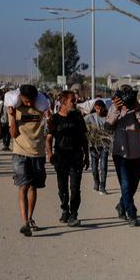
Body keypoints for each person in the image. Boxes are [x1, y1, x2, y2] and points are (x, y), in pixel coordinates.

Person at [10, 84, 49, 236]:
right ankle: (25, 222)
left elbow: (47, 128)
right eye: (26, 101)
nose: (29, 103)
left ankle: (30, 217)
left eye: (31, 100)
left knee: (33, 187)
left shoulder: (41, 107)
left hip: (38, 152)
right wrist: (12, 117)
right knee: (23, 186)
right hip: (20, 153)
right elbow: (13, 134)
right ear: (21, 98)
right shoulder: (16, 109)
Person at [46, 90, 90, 227]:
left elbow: (84, 137)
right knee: (62, 188)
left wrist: (87, 155)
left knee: (75, 188)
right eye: (72, 100)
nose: (75, 102)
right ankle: (65, 209)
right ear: (64, 102)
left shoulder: (77, 116)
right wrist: (49, 153)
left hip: (76, 157)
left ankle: (73, 214)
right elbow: (48, 138)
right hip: (61, 157)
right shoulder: (54, 119)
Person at [105, 84, 140, 226]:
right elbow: (108, 126)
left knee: (133, 185)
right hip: (120, 154)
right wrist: (116, 110)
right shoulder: (113, 108)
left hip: (137, 153)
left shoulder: (138, 108)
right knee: (126, 185)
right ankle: (132, 213)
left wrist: (137, 109)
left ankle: (121, 205)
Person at [86, 99, 111, 194]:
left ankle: (103, 186)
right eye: (97, 109)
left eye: (100, 109)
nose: (99, 111)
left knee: (104, 166)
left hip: (104, 145)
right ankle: (96, 182)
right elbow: (82, 124)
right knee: (94, 166)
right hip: (93, 145)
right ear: (95, 108)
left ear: (103, 108)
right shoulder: (90, 117)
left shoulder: (107, 117)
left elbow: (111, 128)